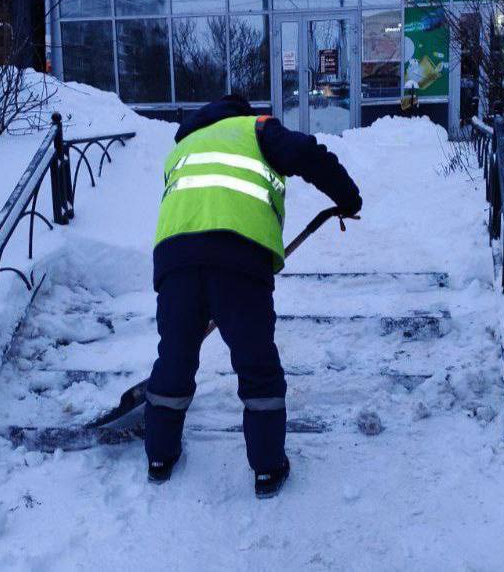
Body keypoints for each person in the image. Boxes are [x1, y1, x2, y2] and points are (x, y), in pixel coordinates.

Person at [145, 94, 362, 498]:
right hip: (239, 261)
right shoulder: (256, 128)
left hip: (175, 262)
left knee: (174, 358)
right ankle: (267, 469)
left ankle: (159, 456)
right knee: (256, 366)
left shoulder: (182, 147)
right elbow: (306, 153)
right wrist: (348, 199)